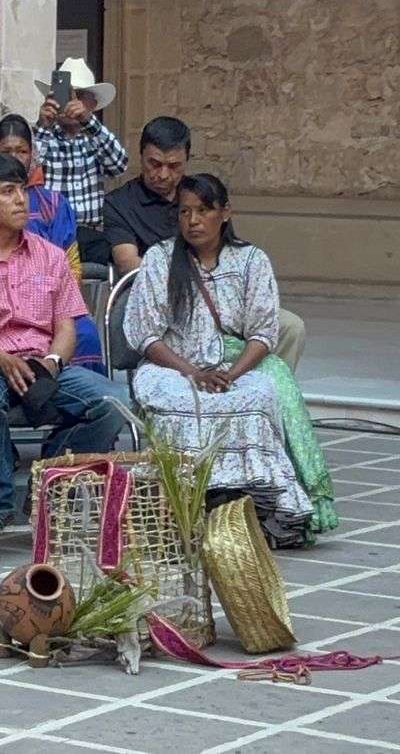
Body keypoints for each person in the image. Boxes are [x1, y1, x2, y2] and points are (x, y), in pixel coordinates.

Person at [123, 173, 336, 548]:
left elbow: (263, 334)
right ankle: (184, 504)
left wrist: (230, 375)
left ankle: (256, 503)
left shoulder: (251, 260)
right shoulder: (159, 259)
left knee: (259, 396)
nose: (193, 220)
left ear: (225, 213)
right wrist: (193, 373)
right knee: (177, 402)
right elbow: (146, 336)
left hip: (236, 366)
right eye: (185, 211)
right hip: (173, 366)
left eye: (203, 210)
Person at [0, 154, 127, 532]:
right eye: (8, 191)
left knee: (114, 402)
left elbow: (66, 327)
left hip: (43, 364)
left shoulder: (51, 257)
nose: (22, 200)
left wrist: (53, 361)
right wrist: (1, 360)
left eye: (22, 189)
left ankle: (47, 477)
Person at [105, 116, 307, 369]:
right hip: (168, 299)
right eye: (154, 164)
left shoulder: (201, 193)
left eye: (174, 166)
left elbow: (226, 250)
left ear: (186, 160)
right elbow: (128, 263)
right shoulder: (120, 203)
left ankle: (264, 385)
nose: (163, 174)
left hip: (224, 293)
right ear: (141, 156)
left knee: (290, 327)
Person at [0, 114, 104, 375]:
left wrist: (47, 307)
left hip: (48, 303)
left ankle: (69, 391)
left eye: (22, 151)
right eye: (6, 151)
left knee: (84, 333)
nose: (16, 158)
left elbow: (70, 267)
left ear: (33, 154)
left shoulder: (53, 204)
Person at [32, 57, 128, 267]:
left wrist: (88, 121)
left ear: (93, 104)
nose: (72, 101)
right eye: (67, 93)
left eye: (80, 95)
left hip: (91, 235)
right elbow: (27, 171)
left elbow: (119, 164)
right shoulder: (44, 136)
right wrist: (42, 126)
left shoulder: (97, 138)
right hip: (50, 234)